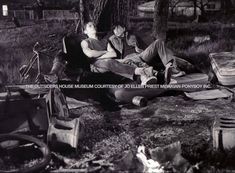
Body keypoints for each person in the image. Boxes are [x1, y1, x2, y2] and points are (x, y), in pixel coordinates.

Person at [80, 21, 170, 85]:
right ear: (85, 31)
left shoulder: (104, 41)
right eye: (90, 26)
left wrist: (100, 54)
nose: (94, 26)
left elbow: (113, 54)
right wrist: (105, 52)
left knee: (126, 61)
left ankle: (149, 76)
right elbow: (90, 54)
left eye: (94, 25)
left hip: (111, 62)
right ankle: (150, 73)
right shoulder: (85, 41)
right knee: (112, 61)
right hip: (97, 64)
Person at [109, 23, 185, 82]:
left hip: (141, 55)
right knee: (134, 63)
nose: (117, 30)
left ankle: (172, 69)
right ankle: (157, 75)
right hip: (128, 59)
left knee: (158, 42)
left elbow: (146, 47)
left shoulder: (132, 35)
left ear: (124, 28)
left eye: (118, 28)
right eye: (115, 29)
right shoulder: (112, 39)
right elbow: (111, 55)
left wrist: (141, 50)